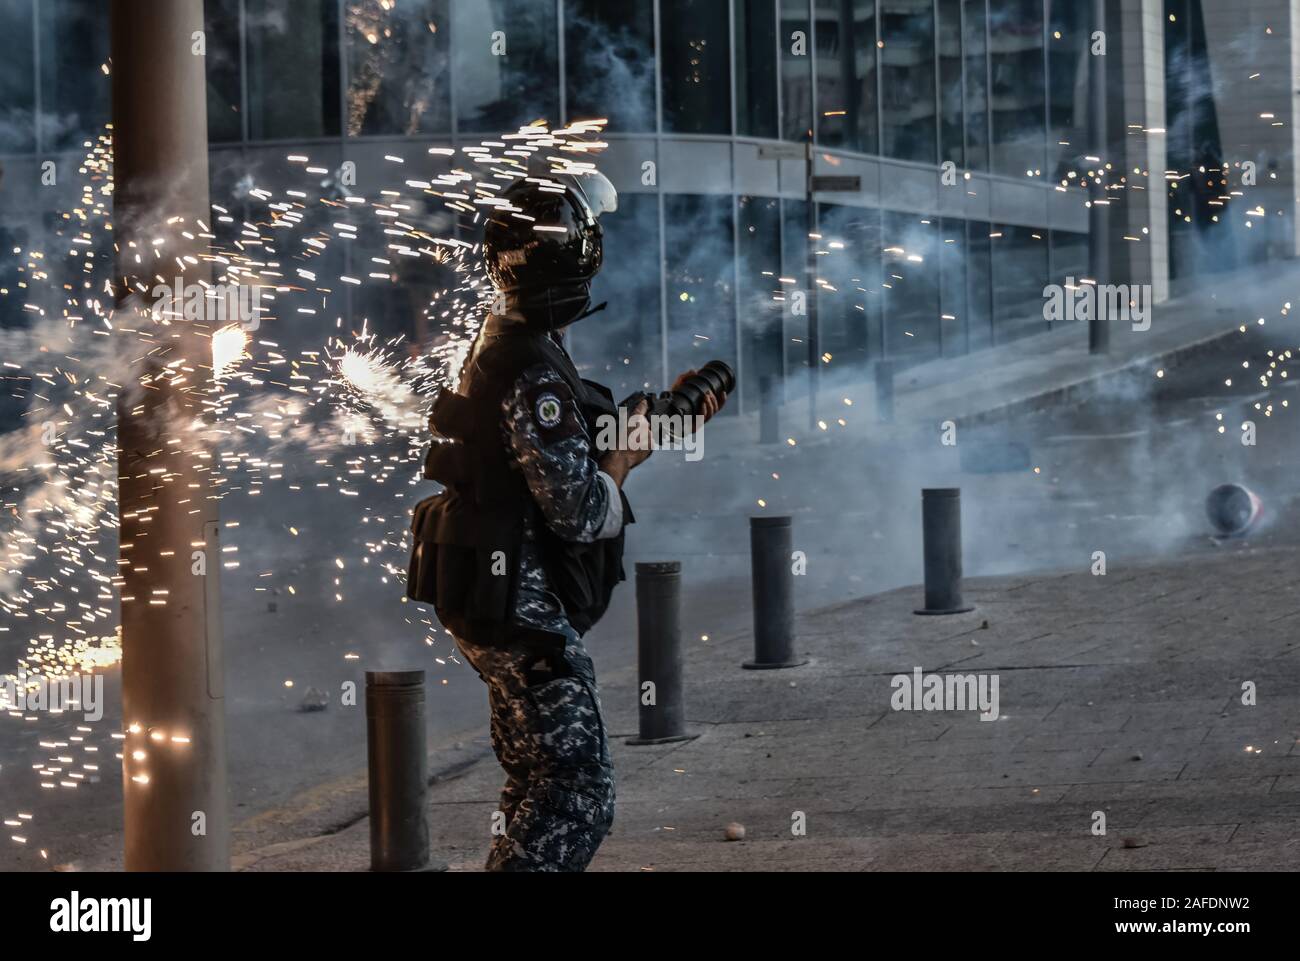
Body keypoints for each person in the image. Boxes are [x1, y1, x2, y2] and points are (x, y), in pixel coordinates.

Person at [408, 169, 721, 871]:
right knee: (578, 791)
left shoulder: (506, 347)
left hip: (493, 601)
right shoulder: (531, 373)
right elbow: (579, 512)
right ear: (571, 256)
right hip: (519, 613)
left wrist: (630, 427)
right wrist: (624, 460)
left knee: (537, 781)